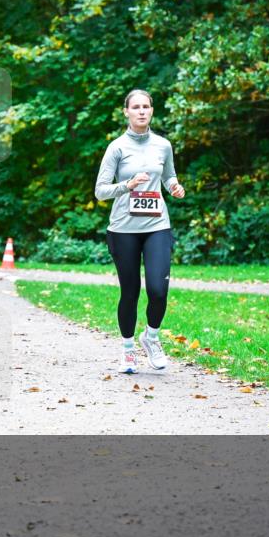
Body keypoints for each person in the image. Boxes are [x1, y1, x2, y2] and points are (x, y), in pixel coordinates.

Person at [95, 89, 185, 374]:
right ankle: (127, 350)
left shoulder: (163, 145)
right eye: (136, 107)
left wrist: (173, 186)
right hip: (123, 228)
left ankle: (152, 337)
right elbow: (100, 190)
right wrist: (128, 185)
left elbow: (169, 174)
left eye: (146, 106)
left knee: (159, 290)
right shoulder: (117, 147)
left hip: (157, 224)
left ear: (152, 111)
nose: (142, 111)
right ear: (126, 112)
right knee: (130, 291)